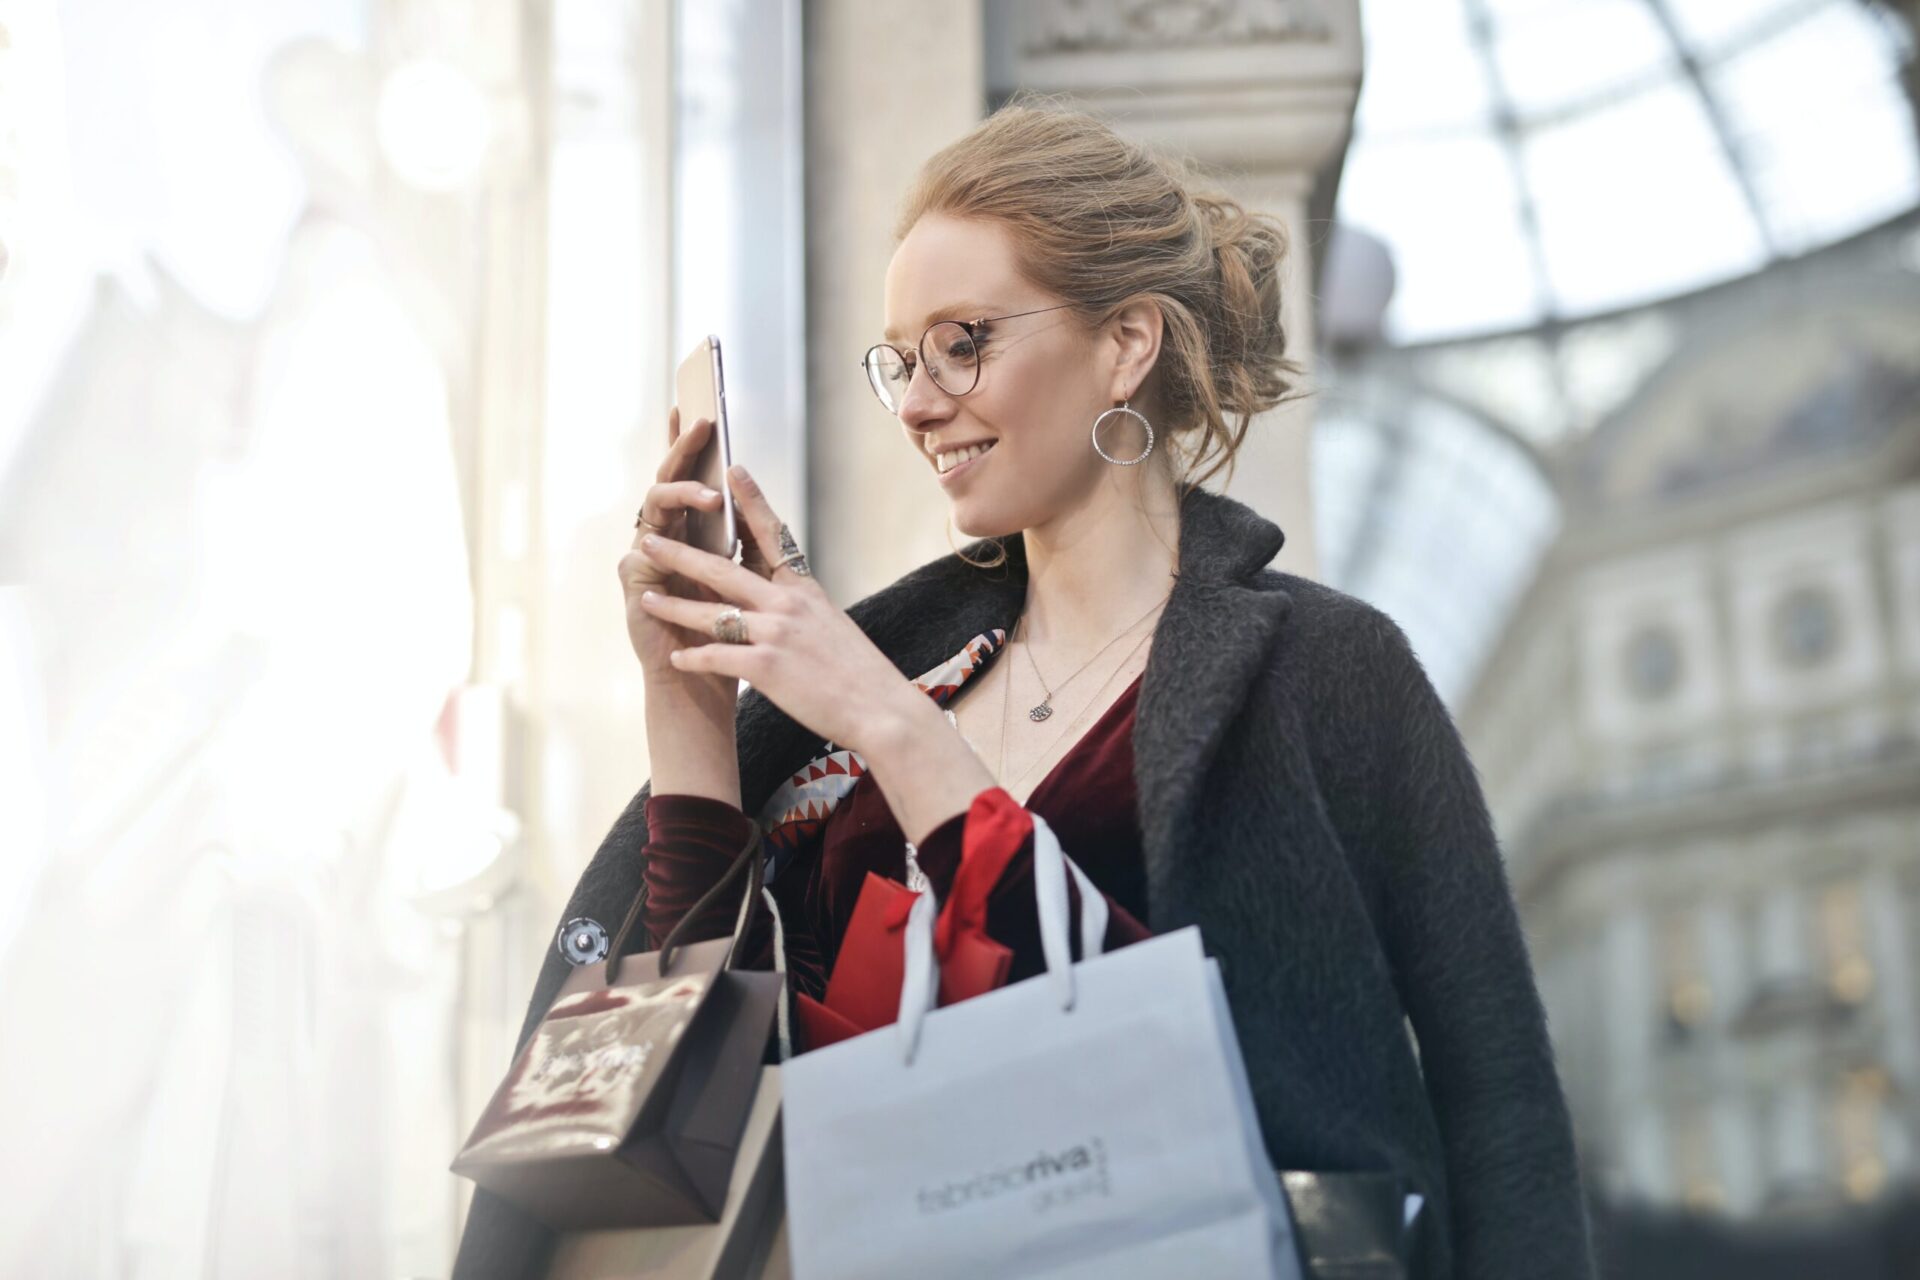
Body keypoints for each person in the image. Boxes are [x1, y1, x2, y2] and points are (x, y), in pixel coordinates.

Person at [454, 99, 1594, 1279]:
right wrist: (687, 706)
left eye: (965, 341)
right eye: (900, 359)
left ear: (1126, 343)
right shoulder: (891, 673)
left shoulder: (1330, 671)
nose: (916, 401)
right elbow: (707, 1066)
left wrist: (890, 724)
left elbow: (1499, 1100)